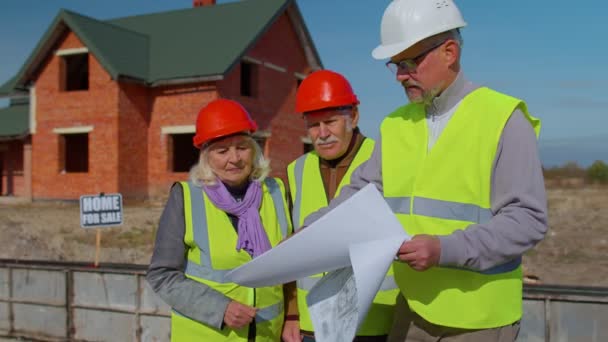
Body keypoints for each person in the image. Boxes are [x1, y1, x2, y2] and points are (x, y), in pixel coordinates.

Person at [302, 0, 548, 341]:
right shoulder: (397, 124)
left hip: (480, 317)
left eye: (411, 62)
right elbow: (360, 195)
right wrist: (308, 235)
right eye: (396, 64)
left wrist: (445, 249)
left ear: (449, 52)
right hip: (413, 308)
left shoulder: (503, 119)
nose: (401, 75)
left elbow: (527, 220)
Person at [146, 99, 292, 341]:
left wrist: (294, 317)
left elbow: (292, 264)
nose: (233, 158)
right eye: (222, 151)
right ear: (206, 156)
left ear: (254, 150)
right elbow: (161, 275)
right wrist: (220, 308)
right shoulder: (186, 197)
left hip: (268, 336)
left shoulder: (277, 191)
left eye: (242, 147)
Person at [282, 70, 398, 342]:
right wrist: (291, 313)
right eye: (313, 125)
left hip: (375, 321)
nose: (322, 134)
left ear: (353, 117)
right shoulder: (295, 171)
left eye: (331, 122)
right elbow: (288, 250)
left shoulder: (384, 161)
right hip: (312, 325)